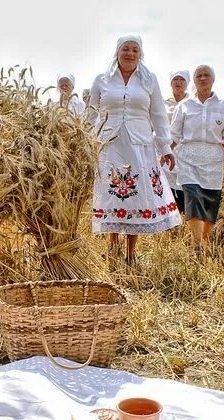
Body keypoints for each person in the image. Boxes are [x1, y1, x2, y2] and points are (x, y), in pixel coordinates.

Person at [87, 36, 182, 266]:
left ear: (141, 54)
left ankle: (130, 253)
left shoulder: (149, 80)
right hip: (110, 144)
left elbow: (158, 115)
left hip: (139, 145)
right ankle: (112, 248)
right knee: (112, 195)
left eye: (134, 50)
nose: (130, 53)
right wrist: (85, 142)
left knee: (136, 194)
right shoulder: (102, 80)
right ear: (117, 52)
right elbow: (90, 115)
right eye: (125, 49)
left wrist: (165, 147)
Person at [170, 65, 224, 247]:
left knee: (210, 201)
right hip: (188, 158)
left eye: (206, 75)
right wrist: (165, 153)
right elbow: (174, 135)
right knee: (192, 197)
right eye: (198, 76)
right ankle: (197, 244)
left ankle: (204, 242)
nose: (202, 78)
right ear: (194, 80)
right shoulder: (184, 106)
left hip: (213, 160)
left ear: (213, 79)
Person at [163, 70, 190, 214]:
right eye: (175, 79)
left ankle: (183, 215)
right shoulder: (163, 103)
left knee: (184, 182)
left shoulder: (192, 103)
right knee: (166, 183)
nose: (178, 83)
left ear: (187, 83)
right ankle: (168, 215)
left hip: (185, 149)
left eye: (182, 80)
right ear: (170, 82)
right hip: (165, 148)